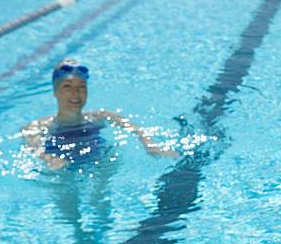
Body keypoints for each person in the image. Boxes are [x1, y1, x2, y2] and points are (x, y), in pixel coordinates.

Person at [22, 58, 177, 169]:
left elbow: (132, 127)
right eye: (67, 87)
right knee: (69, 212)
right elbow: (33, 146)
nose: (75, 93)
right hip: (62, 168)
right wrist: (49, 158)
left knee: (108, 161)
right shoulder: (40, 126)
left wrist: (149, 145)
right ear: (56, 91)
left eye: (81, 86)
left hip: (97, 163)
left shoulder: (98, 117)